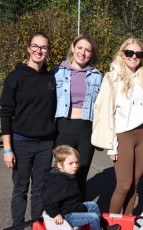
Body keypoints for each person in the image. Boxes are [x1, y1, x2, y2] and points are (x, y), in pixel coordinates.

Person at [92, 38, 143, 214]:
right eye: (129, 53)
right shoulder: (112, 78)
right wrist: (112, 147)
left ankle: (127, 222)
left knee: (135, 184)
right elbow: (107, 114)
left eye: (138, 54)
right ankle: (111, 223)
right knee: (123, 184)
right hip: (124, 136)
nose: (134, 57)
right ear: (122, 54)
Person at [0, 32, 56, 227]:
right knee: (20, 189)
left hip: (45, 144)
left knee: (40, 190)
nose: (38, 50)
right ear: (28, 47)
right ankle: (17, 225)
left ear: (48, 51)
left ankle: (36, 225)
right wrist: (7, 149)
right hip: (21, 142)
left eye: (43, 47)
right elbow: (5, 114)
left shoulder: (51, 78)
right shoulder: (15, 77)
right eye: (35, 46)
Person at [53, 33, 102, 200]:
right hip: (63, 128)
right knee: (62, 175)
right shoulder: (58, 72)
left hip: (86, 130)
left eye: (88, 50)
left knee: (81, 175)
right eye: (80, 48)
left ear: (92, 53)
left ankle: (78, 215)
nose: (83, 53)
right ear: (73, 48)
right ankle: (59, 215)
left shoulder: (96, 75)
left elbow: (102, 106)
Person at [42, 145, 119, 230]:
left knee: (93, 205)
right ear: (60, 165)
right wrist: (55, 214)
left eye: (77, 162)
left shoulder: (68, 175)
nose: (75, 166)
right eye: (70, 163)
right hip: (66, 215)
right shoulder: (58, 182)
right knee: (93, 217)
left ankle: (102, 227)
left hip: (73, 207)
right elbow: (47, 199)